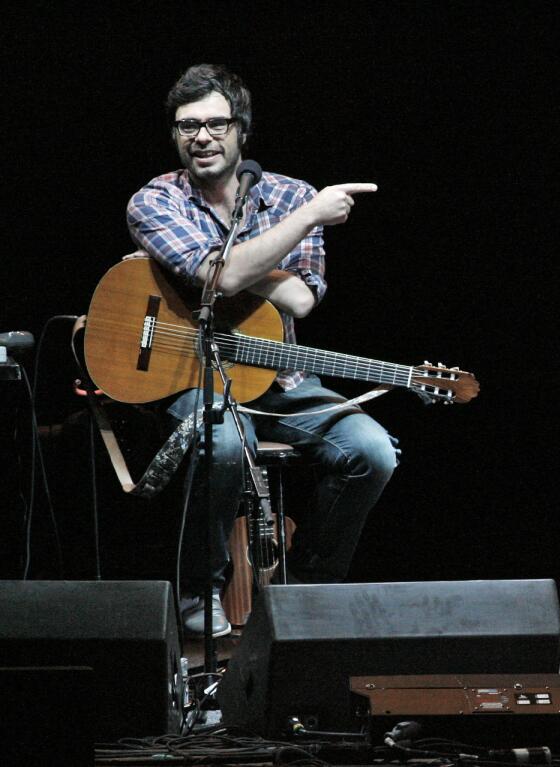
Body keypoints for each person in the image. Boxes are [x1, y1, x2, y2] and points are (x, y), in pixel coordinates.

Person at [126, 64, 398, 636]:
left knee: (372, 451)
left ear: (241, 130)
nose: (201, 137)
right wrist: (295, 230)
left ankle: (307, 591)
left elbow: (298, 300)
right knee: (222, 442)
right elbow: (216, 279)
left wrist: (231, 268)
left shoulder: (289, 194)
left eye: (216, 124)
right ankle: (200, 590)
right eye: (187, 126)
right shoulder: (156, 199)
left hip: (282, 381)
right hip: (191, 376)